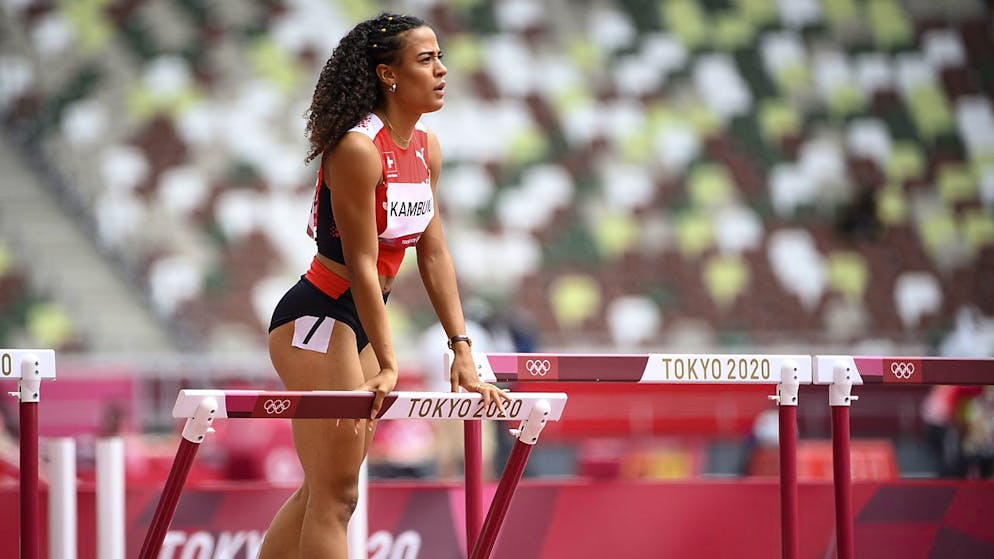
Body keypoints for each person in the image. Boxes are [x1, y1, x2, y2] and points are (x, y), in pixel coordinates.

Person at [257, 13, 510, 559]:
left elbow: (434, 252)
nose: (442, 70)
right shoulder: (356, 149)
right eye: (426, 60)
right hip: (318, 316)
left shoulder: (426, 148)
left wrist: (462, 347)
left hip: (360, 321)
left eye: (441, 57)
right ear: (387, 75)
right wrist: (391, 362)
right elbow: (363, 265)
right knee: (338, 494)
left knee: (326, 490)